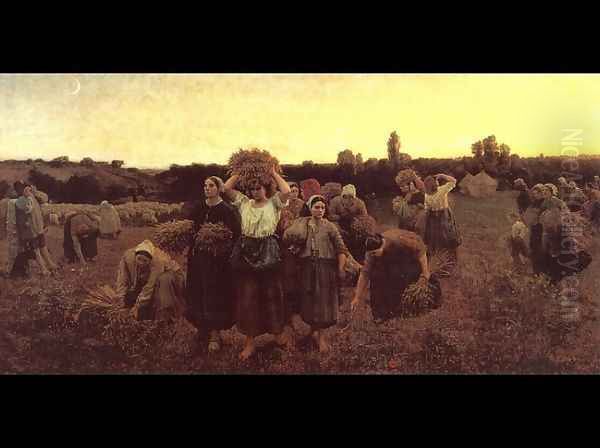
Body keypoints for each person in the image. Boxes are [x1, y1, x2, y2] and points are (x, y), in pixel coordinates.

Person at [224, 167, 293, 361]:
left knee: (272, 294)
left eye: (259, 188)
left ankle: (278, 335)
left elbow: (286, 191)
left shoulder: (274, 204)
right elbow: (225, 189)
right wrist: (241, 170)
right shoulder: (244, 203)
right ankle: (249, 343)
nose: (255, 192)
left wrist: (272, 173)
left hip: (268, 252)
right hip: (246, 252)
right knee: (248, 297)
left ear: (267, 189)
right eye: (252, 188)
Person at [283, 195, 348, 353]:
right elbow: (290, 241)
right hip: (307, 268)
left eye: (322, 208)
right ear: (310, 208)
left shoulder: (330, 227)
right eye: (316, 207)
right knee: (310, 301)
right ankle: (313, 331)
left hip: (325, 268)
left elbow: (341, 249)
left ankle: (322, 337)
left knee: (323, 303)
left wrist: (340, 268)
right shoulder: (302, 224)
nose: (320, 210)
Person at [185, 176, 241, 354]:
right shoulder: (199, 208)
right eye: (205, 185)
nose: (207, 188)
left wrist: (219, 242)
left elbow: (236, 234)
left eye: (211, 186)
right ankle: (202, 329)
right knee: (197, 292)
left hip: (217, 262)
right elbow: (189, 228)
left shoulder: (227, 210)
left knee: (214, 295)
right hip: (198, 259)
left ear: (218, 188)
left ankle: (215, 334)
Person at [350, 229, 439, 322]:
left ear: (382, 245)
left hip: (407, 256)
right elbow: (365, 273)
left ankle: (401, 309)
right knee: (377, 277)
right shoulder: (371, 253)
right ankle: (380, 315)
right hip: (389, 258)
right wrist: (357, 297)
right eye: (371, 253)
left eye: (375, 253)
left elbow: (420, 250)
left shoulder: (400, 241)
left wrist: (425, 272)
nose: (373, 255)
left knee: (398, 277)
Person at [115, 240, 186, 321]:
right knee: (131, 295)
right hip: (149, 275)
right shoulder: (128, 257)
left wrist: (137, 306)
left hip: (172, 276)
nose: (141, 263)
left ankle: (164, 318)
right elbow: (123, 280)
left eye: (145, 260)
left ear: (150, 260)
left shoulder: (158, 261)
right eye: (139, 259)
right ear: (135, 256)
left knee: (162, 281)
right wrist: (120, 299)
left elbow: (149, 286)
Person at [14, 182, 56, 276]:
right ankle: (43, 269)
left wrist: (35, 192)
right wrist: (27, 197)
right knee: (36, 250)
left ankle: (51, 265)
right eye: (24, 188)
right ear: (19, 190)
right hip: (30, 231)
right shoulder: (20, 201)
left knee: (43, 246)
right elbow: (27, 208)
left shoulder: (33, 196)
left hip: (38, 227)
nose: (27, 189)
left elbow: (45, 198)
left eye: (27, 187)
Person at [423, 173, 462, 262]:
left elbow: (427, 208)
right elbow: (453, 181)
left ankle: (438, 257)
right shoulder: (442, 190)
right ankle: (451, 256)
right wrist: (442, 175)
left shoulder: (427, 195)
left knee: (436, 237)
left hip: (433, 217)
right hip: (444, 215)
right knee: (449, 234)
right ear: (435, 183)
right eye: (436, 181)